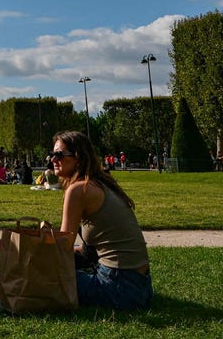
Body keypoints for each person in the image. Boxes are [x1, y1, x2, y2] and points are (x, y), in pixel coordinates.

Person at [51, 130, 152, 310]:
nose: (53, 159)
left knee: (43, 272)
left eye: (59, 155)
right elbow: (90, 249)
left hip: (119, 288)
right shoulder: (103, 184)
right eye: (52, 154)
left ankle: (0, 301)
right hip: (141, 287)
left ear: (78, 157)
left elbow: (62, 247)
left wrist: (28, 249)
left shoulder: (78, 190)